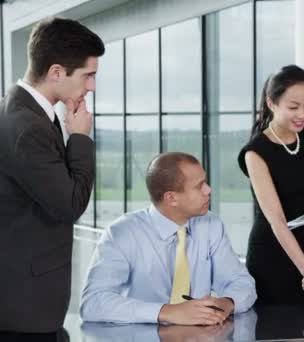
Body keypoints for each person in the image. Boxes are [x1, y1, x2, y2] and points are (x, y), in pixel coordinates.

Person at [0, 17, 104, 336]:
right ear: (57, 72)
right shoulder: (27, 127)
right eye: (88, 75)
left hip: (28, 303)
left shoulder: (27, 114)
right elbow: (70, 204)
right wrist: (81, 138)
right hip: (24, 310)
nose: (92, 86)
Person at [80, 152, 256, 325]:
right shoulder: (122, 233)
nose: (208, 190)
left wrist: (227, 303)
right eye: (199, 185)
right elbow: (93, 303)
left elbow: (241, 282)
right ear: (171, 198)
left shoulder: (211, 224)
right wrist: (167, 312)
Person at [238, 64, 304, 305]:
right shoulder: (256, 153)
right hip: (272, 248)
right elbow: (277, 221)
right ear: (271, 104)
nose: (303, 114)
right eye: (293, 107)